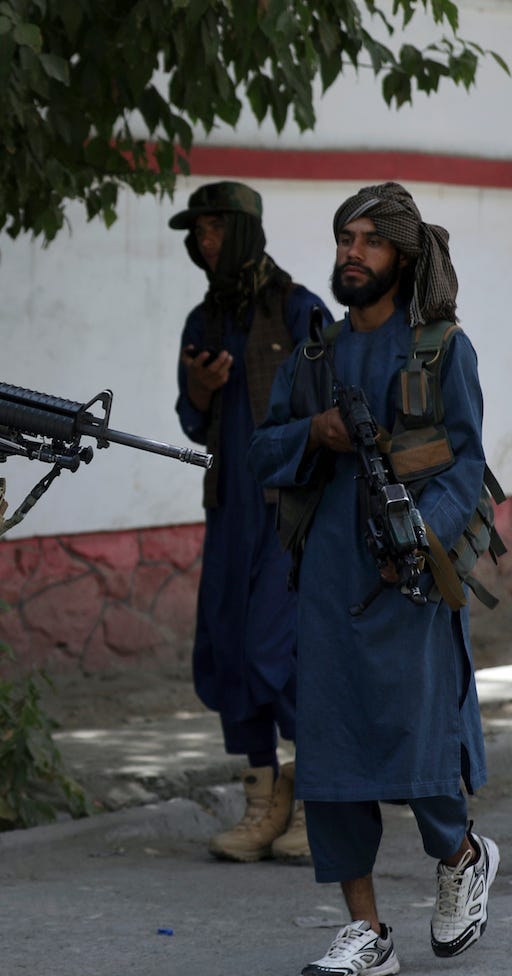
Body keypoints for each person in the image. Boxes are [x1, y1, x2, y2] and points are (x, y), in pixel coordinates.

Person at [251, 182, 499, 976]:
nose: (350, 253)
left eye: (369, 241)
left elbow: (466, 460)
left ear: (402, 255)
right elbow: (264, 450)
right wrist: (312, 434)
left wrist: (423, 538)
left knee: (418, 741)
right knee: (328, 753)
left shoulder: (439, 349)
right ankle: (366, 930)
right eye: (343, 239)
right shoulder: (315, 355)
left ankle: (461, 856)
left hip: (415, 576)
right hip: (327, 577)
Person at [170, 180, 332, 865]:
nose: (204, 243)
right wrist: (202, 390)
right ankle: (262, 798)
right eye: (197, 233)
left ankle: (318, 797)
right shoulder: (203, 321)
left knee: (277, 649)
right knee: (229, 649)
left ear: (241, 232)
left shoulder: (298, 311)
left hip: (286, 511)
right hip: (229, 506)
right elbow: (190, 419)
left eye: (213, 230)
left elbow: (332, 408)